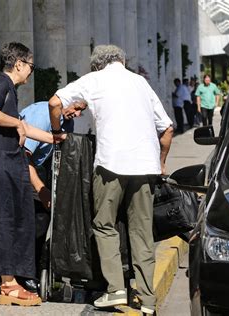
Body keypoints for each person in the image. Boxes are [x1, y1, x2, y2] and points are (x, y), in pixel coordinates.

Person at [48, 45, 173, 315]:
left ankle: (116, 289)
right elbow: (167, 128)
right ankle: (148, 301)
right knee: (141, 232)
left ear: (96, 65)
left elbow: (54, 103)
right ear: (122, 61)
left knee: (104, 224)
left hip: (110, 165)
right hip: (145, 167)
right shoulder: (140, 82)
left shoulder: (94, 80)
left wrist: (57, 131)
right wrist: (161, 162)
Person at [0, 42, 63, 306]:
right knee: (7, 219)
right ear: (19, 64)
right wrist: (17, 124)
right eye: (31, 67)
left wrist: (54, 138)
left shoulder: (5, 87)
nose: (31, 72)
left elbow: (22, 127)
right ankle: (9, 285)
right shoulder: (1, 84)